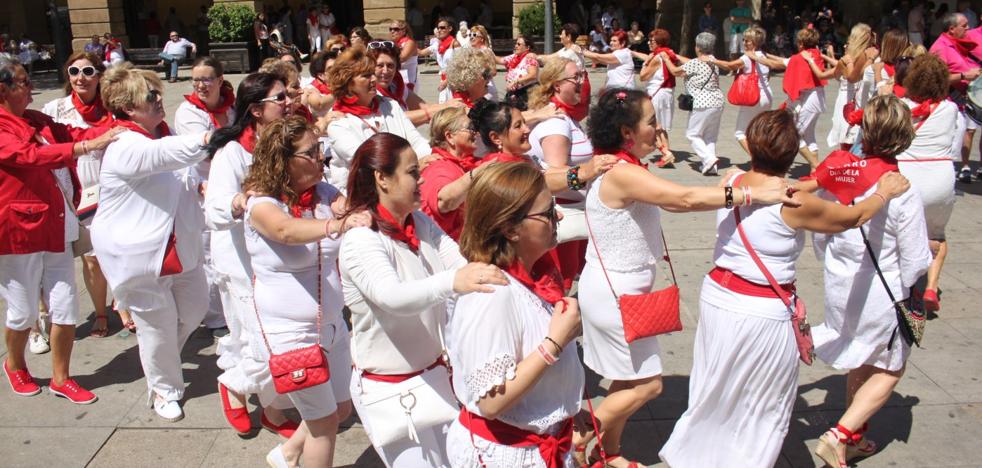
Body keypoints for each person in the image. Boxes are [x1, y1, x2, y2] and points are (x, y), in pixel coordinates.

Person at [659, 109, 911, 468]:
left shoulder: (734, 180)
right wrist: (882, 193)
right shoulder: (792, 202)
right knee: (762, 399)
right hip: (761, 311)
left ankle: (696, 454)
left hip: (718, 296)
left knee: (715, 387)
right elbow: (851, 218)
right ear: (791, 153)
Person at [575, 88, 795, 467]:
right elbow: (684, 200)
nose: (658, 131)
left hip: (616, 290)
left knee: (627, 380)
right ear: (627, 132)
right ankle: (580, 434)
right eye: (651, 122)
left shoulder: (618, 165)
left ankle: (608, 454)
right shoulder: (623, 172)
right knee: (649, 384)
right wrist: (745, 194)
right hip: (615, 296)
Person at [341, 132, 507, 467]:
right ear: (382, 179)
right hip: (391, 393)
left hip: (436, 379)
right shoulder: (361, 239)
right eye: (413, 172)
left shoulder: (419, 220)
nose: (422, 179)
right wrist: (456, 281)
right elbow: (393, 297)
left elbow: (459, 263)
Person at [808, 95, 933, 468]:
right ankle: (840, 434)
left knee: (860, 359)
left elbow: (822, 231)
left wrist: (834, 261)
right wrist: (917, 290)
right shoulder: (900, 187)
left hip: (841, 282)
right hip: (882, 292)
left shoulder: (843, 173)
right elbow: (913, 259)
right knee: (891, 367)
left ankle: (855, 438)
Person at [244, 116, 371, 468]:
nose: (322, 157)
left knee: (342, 407)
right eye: (311, 152)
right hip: (289, 333)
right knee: (324, 422)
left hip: (331, 324)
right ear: (283, 160)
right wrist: (336, 225)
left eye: (321, 148)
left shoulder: (324, 193)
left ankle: (286, 454)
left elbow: (353, 208)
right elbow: (285, 230)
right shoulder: (262, 204)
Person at [92, 64, 213, 422]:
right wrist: (212, 138)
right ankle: (164, 388)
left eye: (158, 93)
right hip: (138, 253)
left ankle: (160, 358)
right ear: (129, 108)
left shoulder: (163, 132)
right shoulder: (124, 144)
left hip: (178, 244)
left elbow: (180, 171)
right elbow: (167, 157)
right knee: (157, 325)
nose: (160, 100)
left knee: (193, 309)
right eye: (151, 96)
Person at [446, 161, 586, 468]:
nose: (558, 216)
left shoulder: (531, 279)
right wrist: (555, 342)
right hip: (504, 455)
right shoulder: (494, 294)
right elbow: (492, 400)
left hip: (540, 446)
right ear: (510, 228)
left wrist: (565, 413)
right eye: (547, 213)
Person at [1, 57, 120, 404]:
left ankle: (61, 377)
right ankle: (15, 365)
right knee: (22, 313)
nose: (30, 88)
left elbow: (74, 132)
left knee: (65, 306)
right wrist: (87, 147)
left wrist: (113, 130)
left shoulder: (36, 119)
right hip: (17, 234)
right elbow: (30, 156)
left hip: (56, 224)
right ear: (2, 89)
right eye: (22, 82)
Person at [203, 72, 296, 437]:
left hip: (277, 256)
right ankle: (234, 386)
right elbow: (213, 210)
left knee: (274, 337)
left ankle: (274, 410)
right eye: (280, 97)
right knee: (252, 337)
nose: (288, 101)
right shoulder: (232, 153)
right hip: (241, 262)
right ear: (257, 110)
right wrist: (237, 202)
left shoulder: (283, 142)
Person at [40, 52, 121, 338]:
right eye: (74, 71)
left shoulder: (112, 107)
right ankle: (92, 312)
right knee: (85, 256)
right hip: (73, 188)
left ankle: (113, 306)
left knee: (108, 253)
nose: (80, 78)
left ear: (100, 75)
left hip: (108, 187)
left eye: (88, 71)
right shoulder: (56, 108)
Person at [527, 57, 618, 287]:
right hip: (564, 216)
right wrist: (591, 173)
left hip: (574, 213)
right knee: (561, 285)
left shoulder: (566, 119)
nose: (582, 82)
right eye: (575, 77)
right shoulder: (557, 123)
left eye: (582, 75)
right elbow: (555, 175)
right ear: (557, 85)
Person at [896, 54, 961, 312]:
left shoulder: (901, 106)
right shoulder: (950, 109)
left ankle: (905, 286)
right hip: (940, 177)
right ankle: (931, 287)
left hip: (907, 176)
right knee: (937, 236)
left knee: (901, 233)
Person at [326, 47, 431, 192]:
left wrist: (430, 157)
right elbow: (371, 162)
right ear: (348, 84)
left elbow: (416, 142)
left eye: (372, 73)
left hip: (404, 185)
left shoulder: (390, 105)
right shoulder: (339, 123)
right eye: (366, 75)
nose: (374, 78)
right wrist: (415, 165)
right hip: (363, 197)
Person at [710, 27, 784, 156]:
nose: (744, 43)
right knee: (759, 130)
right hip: (766, 96)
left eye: (747, 41)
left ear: (755, 42)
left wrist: (712, 60)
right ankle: (765, 153)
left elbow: (729, 65)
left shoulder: (747, 58)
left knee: (740, 133)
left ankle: (757, 159)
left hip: (753, 97)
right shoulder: (763, 55)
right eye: (744, 40)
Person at [929, 12, 982, 183]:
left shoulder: (956, 44)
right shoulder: (940, 48)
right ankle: (940, 183)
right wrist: (964, 75)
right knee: (948, 149)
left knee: (954, 147)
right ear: (952, 29)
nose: (968, 28)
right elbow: (934, 78)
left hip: (958, 105)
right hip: (947, 104)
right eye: (964, 25)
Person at [662, 32, 724, 175]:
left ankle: (708, 159)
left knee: (693, 134)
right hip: (717, 101)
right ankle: (711, 166)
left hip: (702, 103)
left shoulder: (694, 64)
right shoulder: (713, 61)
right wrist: (677, 56)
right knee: (710, 137)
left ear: (698, 47)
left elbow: (675, 71)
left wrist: (666, 59)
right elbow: (691, 63)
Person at [418, 107, 481, 240]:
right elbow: (444, 202)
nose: (476, 132)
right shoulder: (438, 166)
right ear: (450, 137)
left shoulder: (464, 164)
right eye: (470, 127)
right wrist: (477, 174)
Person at [367, 41, 457, 127]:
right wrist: (443, 108)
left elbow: (423, 106)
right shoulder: (369, 92)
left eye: (390, 65)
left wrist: (450, 108)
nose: (385, 71)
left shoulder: (396, 85)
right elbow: (396, 118)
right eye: (380, 66)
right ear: (370, 67)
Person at [781, 27, 831, 169]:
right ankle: (814, 171)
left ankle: (816, 165)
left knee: (794, 134)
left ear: (801, 43)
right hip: (818, 97)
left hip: (810, 98)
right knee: (809, 135)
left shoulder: (798, 58)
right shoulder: (817, 55)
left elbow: (791, 79)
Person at [824, 24, 875, 150]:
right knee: (853, 136)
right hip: (859, 97)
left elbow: (850, 78)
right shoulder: (869, 53)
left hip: (852, 98)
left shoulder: (860, 56)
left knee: (849, 136)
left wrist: (848, 63)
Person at [635, 28, 681, 166]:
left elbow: (643, 76)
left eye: (652, 41)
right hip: (667, 93)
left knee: (653, 126)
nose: (649, 43)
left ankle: (666, 153)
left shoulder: (656, 57)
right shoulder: (669, 54)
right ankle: (668, 154)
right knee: (662, 127)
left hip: (657, 93)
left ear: (659, 42)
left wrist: (645, 63)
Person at [537, 23, 591, 121]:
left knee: (569, 113)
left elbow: (551, 60)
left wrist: (536, 58)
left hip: (577, 83)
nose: (560, 36)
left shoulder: (572, 51)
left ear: (568, 37)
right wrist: (536, 57)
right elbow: (550, 57)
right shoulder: (566, 49)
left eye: (562, 34)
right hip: (574, 82)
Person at [418, 18, 460, 104]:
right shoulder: (437, 44)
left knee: (455, 108)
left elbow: (460, 65)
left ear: (450, 29)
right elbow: (421, 52)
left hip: (454, 81)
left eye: (443, 27)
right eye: (438, 28)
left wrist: (446, 81)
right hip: (443, 80)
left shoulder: (455, 43)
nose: (439, 30)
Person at [495, 36, 539, 110]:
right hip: (513, 93)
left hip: (526, 94)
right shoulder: (514, 57)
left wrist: (516, 81)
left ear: (527, 47)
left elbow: (533, 75)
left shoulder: (530, 58)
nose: (515, 46)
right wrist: (485, 49)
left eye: (519, 44)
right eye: (516, 44)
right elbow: (500, 60)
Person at [464, 25, 500, 101]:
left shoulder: (486, 51)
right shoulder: (471, 51)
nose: (471, 37)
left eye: (474, 35)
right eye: (470, 35)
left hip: (486, 90)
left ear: (482, 38)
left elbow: (493, 71)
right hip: (475, 89)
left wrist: (482, 81)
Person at [390, 20, 419, 90]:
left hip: (408, 80)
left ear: (404, 31)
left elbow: (402, 58)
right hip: (397, 78)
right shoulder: (393, 44)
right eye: (390, 29)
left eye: (396, 29)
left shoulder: (409, 42)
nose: (392, 31)